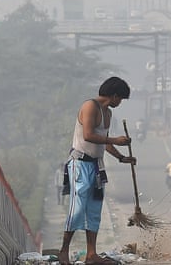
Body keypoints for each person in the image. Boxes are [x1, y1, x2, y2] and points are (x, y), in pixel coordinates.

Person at [58, 77, 136, 265]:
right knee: (77, 209)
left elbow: (104, 141)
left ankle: (91, 255)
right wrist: (115, 140)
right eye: (121, 99)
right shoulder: (90, 107)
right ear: (115, 95)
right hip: (80, 164)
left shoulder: (107, 114)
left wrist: (121, 157)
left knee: (94, 210)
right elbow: (89, 135)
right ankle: (63, 251)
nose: (120, 103)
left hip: (96, 166)